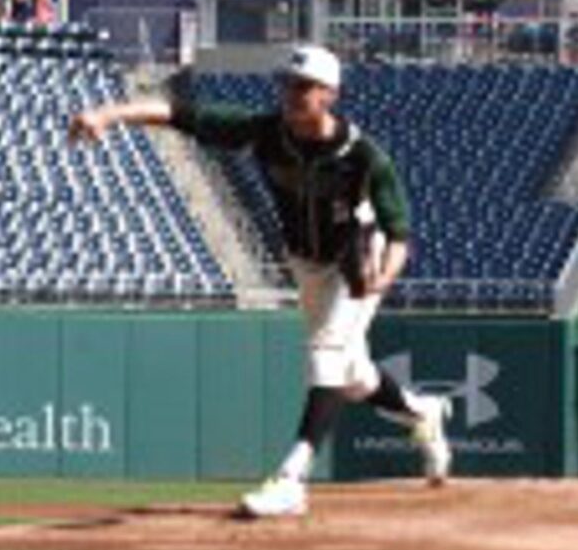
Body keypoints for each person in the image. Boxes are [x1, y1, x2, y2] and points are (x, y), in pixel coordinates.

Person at [68, 45, 452, 518]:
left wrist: (382, 278)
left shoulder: (363, 155)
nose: (292, 94)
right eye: (287, 84)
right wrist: (107, 114)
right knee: (351, 376)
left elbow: (399, 232)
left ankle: (292, 478)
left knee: (325, 357)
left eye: (304, 87)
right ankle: (421, 411)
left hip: (356, 262)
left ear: (330, 94)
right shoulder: (265, 131)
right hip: (305, 262)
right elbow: (176, 113)